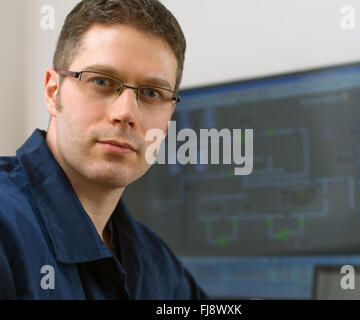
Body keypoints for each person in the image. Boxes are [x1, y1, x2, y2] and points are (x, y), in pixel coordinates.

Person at [0, 0, 209, 300]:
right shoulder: (7, 232)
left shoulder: (153, 262)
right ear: (53, 91)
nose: (126, 113)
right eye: (102, 81)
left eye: (152, 93)